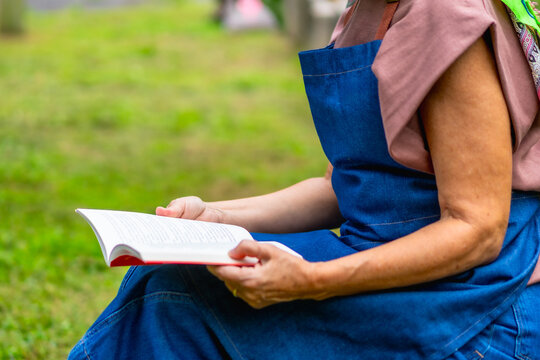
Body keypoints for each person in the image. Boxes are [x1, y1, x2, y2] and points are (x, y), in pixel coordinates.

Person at [69, 0, 540, 358]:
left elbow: (477, 229)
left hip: (474, 302)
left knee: (179, 304)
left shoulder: (444, 15)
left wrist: (313, 280)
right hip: (381, 262)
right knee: (169, 279)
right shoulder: (364, 11)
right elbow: (339, 187)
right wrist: (214, 217)